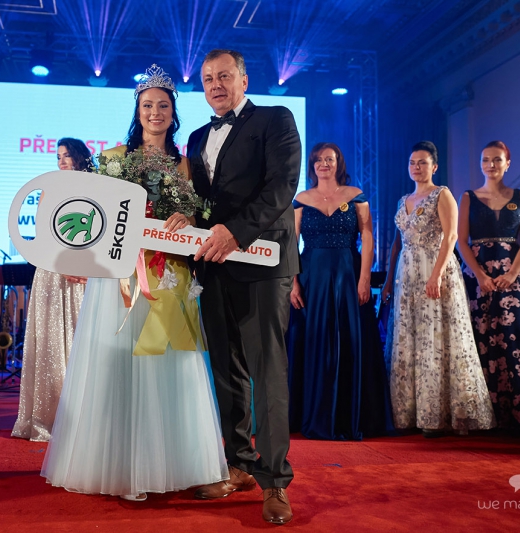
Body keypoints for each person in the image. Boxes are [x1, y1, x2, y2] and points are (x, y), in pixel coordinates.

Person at [41, 65, 227, 500]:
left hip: (169, 274)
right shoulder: (112, 158)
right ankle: (122, 469)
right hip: (121, 278)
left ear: (173, 112)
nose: (155, 112)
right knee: (119, 363)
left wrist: (186, 218)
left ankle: (170, 465)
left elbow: (199, 216)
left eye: (163, 105)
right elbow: (94, 216)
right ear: (137, 110)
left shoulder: (186, 163)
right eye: (147, 105)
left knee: (169, 367)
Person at [187, 49, 300, 525]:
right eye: (208, 78)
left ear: (244, 79)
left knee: (266, 372)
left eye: (224, 76)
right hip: (213, 268)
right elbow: (199, 203)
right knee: (226, 372)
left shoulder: (275, 119)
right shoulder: (196, 137)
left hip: (263, 263)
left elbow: (281, 187)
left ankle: (275, 481)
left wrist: (236, 232)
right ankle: (239, 466)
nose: (215, 85)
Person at [381, 141, 494, 437]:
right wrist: (389, 280)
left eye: (422, 162)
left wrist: (437, 275)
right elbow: (397, 244)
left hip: (435, 269)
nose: (416, 167)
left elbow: (452, 236)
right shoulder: (403, 199)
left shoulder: (442, 194)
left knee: (437, 337)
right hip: (407, 275)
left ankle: (442, 413)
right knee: (411, 339)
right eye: (412, 162)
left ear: (434, 166)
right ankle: (410, 412)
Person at [286, 142, 392, 440]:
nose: (324, 164)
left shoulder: (355, 195)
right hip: (312, 277)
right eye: (318, 160)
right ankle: (313, 414)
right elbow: (291, 242)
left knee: (350, 340)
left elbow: (368, 238)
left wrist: (364, 279)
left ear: (338, 163)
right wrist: (293, 282)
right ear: (312, 165)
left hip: (348, 274)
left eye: (329, 159)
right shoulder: (301, 199)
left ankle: (349, 416)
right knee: (314, 341)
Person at [457, 141, 520, 433]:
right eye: (486, 160)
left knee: (516, 339)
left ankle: (519, 412)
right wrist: (480, 275)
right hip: (479, 277)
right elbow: (461, 242)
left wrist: (513, 273)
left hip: (515, 277)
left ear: (507, 163)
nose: (491, 165)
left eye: (497, 160)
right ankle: (484, 412)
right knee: (481, 338)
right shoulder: (468, 197)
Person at [11, 137, 91, 442]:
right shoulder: (49, 187)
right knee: (50, 344)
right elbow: (43, 231)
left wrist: (83, 264)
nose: (62, 161)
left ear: (81, 156)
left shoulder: (97, 187)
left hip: (84, 271)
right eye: (58, 156)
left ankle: (84, 417)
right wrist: (61, 261)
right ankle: (49, 417)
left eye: (67, 155)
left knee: (81, 338)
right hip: (52, 269)